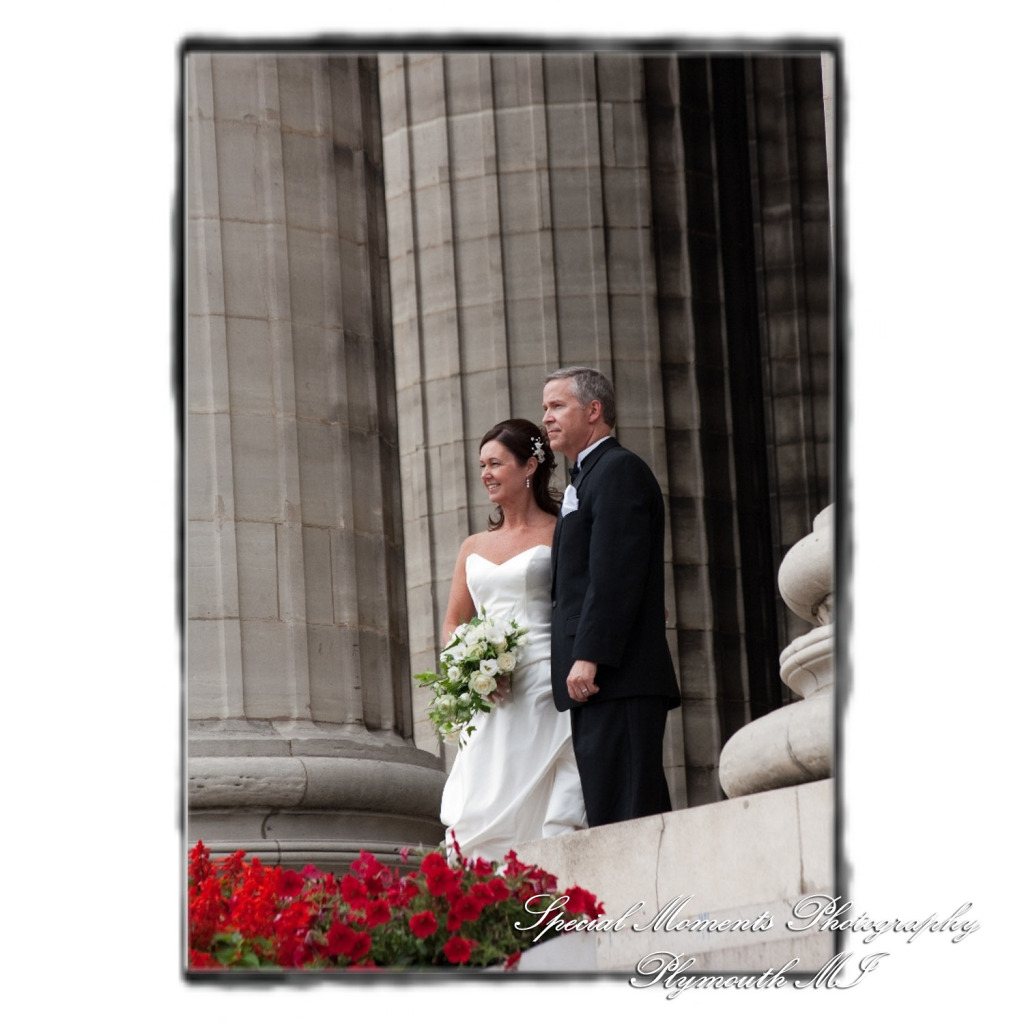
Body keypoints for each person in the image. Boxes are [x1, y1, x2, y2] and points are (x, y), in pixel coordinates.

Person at [438, 419, 587, 862]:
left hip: (545, 680)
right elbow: (453, 624)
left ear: (530, 466)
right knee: (484, 795)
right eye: (482, 464)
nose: (485, 473)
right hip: (491, 694)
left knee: (548, 795)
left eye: (496, 463)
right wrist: (469, 668)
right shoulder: (473, 546)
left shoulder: (562, 531)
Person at [542, 367, 681, 827]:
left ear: (594, 411)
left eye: (558, 406)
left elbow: (614, 575)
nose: (547, 418)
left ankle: (649, 902)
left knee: (630, 813)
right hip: (602, 681)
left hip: (616, 675)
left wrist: (589, 656)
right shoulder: (587, 475)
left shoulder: (618, 470)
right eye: (545, 408)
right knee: (615, 811)